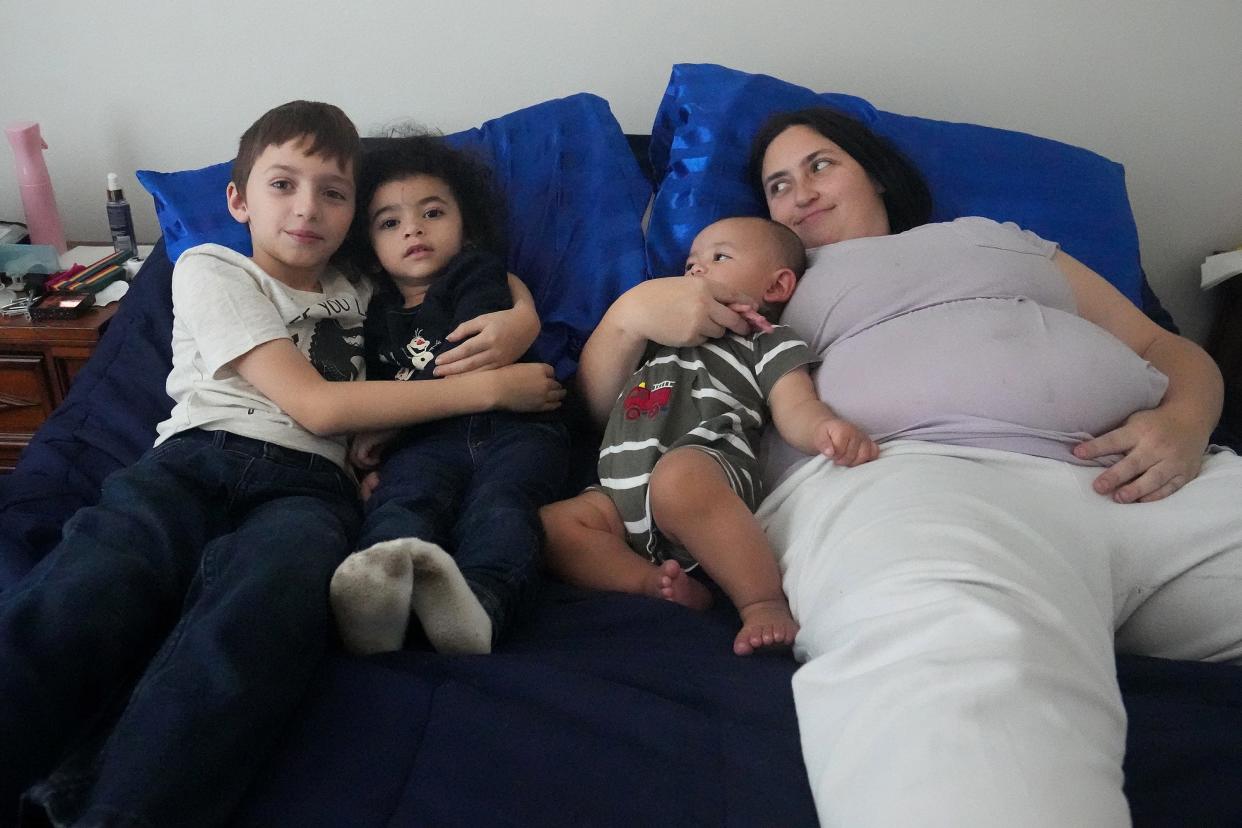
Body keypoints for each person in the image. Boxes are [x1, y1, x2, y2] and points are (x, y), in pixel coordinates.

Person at [578, 105, 1242, 827]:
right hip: (915, 483)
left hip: (1152, 474)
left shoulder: (1000, 241)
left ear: (878, 175)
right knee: (959, 689)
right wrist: (631, 314)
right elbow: (619, 409)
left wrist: (1184, 422)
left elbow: (1161, 346)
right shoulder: (763, 281)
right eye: (776, 186)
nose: (799, 192)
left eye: (820, 165)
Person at [0, 101, 562, 828]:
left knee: (248, 632)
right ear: (237, 200)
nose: (308, 208)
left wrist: (524, 317)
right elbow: (320, 408)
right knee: (87, 589)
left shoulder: (364, 291)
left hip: (311, 495)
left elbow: (459, 286)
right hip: (194, 463)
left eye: (333, 192)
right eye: (283, 185)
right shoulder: (210, 267)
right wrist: (491, 385)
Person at [541, 216, 878, 656]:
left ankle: (761, 602)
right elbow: (599, 401)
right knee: (553, 525)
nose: (697, 270)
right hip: (618, 494)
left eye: (719, 257)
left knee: (678, 481)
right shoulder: (658, 342)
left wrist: (824, 429)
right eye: (690, 264)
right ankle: (651, 583)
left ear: (776, 287)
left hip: (704, 469)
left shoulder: (765, 341)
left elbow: (794, 405)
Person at [329, 134, 571, 657]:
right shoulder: (373, 313)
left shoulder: (475, 273)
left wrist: (389, 424)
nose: (413, 228)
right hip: (427, 443)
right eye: (389, 222)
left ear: (467, 225)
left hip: (516, 427)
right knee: (402, 500)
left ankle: (481, 603)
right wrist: (371, 457)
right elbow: (372, 389)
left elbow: (464, 353)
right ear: (369, 246)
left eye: (432, 212)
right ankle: (377, 594)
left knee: (503, 506)